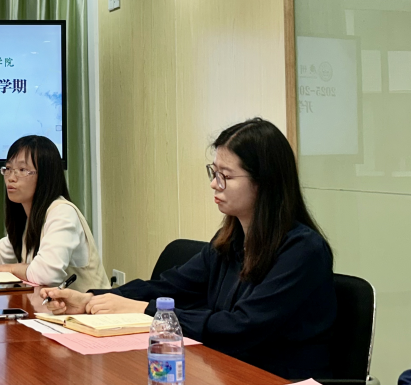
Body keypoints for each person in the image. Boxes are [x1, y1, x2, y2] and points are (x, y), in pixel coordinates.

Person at [41, 118, 336, 380]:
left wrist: (146, 311)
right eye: (214, 172)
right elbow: (171, 286)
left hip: (277, 378)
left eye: (226, 176)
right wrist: (92, 299)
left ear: (264, 182)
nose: (214, 184)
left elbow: (241, 327)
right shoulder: (230, 240)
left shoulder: (302, 250)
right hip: (227, 368)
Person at [0, 135, 109, 292]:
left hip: (91, 310)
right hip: (49, 309)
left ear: (45, 176)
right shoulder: (29, 216)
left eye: (22, 170)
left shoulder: (62, 212)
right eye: (8, 168)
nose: (11, 178)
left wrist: (9, 269)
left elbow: (47, 274)